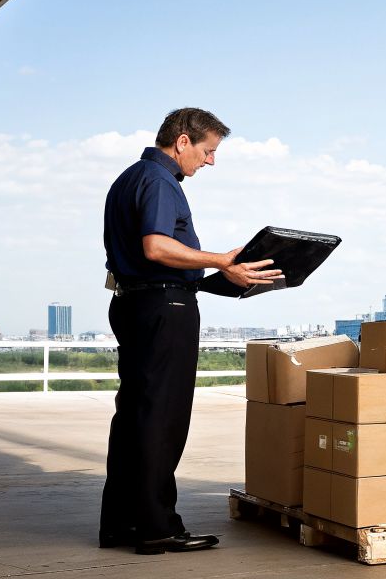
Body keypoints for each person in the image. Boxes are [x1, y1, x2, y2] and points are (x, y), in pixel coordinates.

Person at [100, 108, 280, 554]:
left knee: (136, 419)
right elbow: (156, 247)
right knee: (162, 420)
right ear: (182, 142)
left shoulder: (132, 177)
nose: (210, 162)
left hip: (136, 302)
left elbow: (153, 257)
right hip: (164, 308)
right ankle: (157, 527)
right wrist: (222, 260)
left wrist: (228, 275)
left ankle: (122, 524)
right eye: (208, 151)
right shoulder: (160, 181)